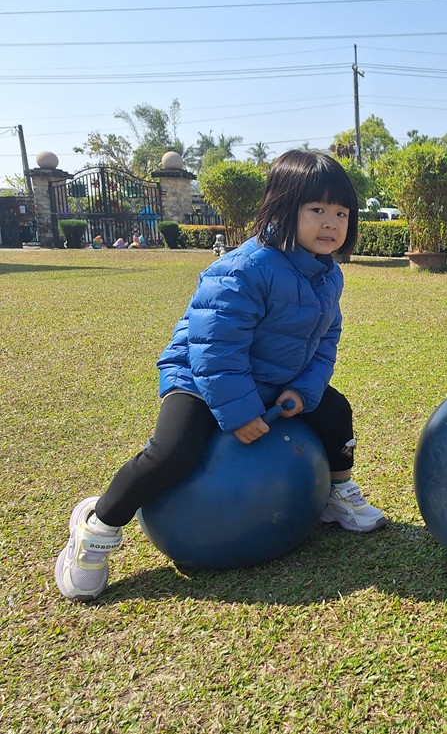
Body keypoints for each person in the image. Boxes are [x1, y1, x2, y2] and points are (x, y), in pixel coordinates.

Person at [56, 150, 387, 602]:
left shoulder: (328, 276)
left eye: (341, 213)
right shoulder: (243, 268)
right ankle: (98, 527)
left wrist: (304, 389)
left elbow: (326, 339)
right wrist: (241, 411)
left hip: (275, 378)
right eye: (317, 209)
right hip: (200, 377)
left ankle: (338, 491)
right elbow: (215, 348)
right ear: (283, 208)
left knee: (334, 410)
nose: (331, 223)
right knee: (173, 450)